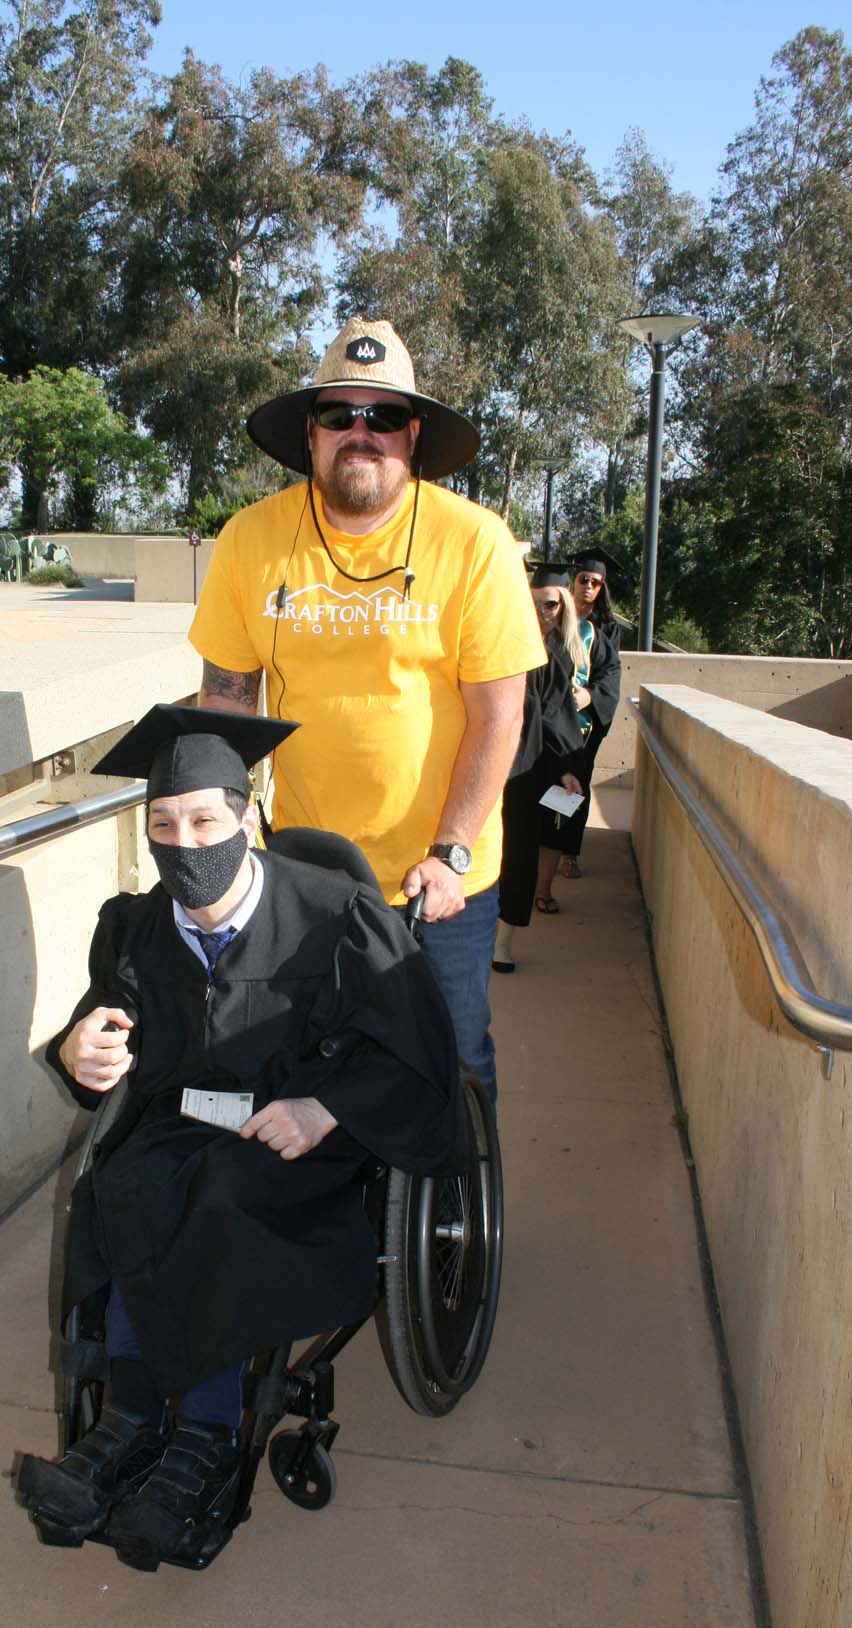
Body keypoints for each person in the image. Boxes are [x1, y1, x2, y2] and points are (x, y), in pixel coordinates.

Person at [17, 705, 465, 1572]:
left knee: (215, 1201)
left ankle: (207, 1438)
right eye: (163, 825)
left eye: (205, 821)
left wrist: (324, 1108)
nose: (185, 843)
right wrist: (80, 1051)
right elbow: (104, 1030)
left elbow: (417, 1056)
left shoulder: (338, 920)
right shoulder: (138, 929)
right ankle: (127, 1427)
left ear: (249, 815)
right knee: (121, 1186)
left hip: (301, 1147)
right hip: (182, 1128)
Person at [189, 318, 546, 1101]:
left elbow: (499, 718)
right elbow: (225, 700)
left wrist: (450, 853)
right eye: (339, 415)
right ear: (310, 434)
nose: (362, 433)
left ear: (412, 435)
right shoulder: (252, 540)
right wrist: (221, 824)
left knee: (449, 1058)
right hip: (303, 871)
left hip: (441, 877)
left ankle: (458, 1215)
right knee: (308, 1058)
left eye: (383, 417)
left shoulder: (474, 542)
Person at [491, 571, 585, 970]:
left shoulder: (555, 658)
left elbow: (555, 717)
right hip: (484, 763)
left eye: (550, 603)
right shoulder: (493, 644)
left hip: (526, 770)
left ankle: (501, 944)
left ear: (563, 608)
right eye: (533, 602)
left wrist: (565, 769)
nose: (541, 612)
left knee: (517, 857)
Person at [535, 547, 623, 908]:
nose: (588, 585)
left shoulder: (594, 635)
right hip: (529, 741)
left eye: (595, 582)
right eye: (583, 579)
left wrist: (590, 696)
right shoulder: (520, 634)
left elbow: (611, 676)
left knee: (561, 809)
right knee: (526, 817)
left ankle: (544, 888)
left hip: (574, 738)